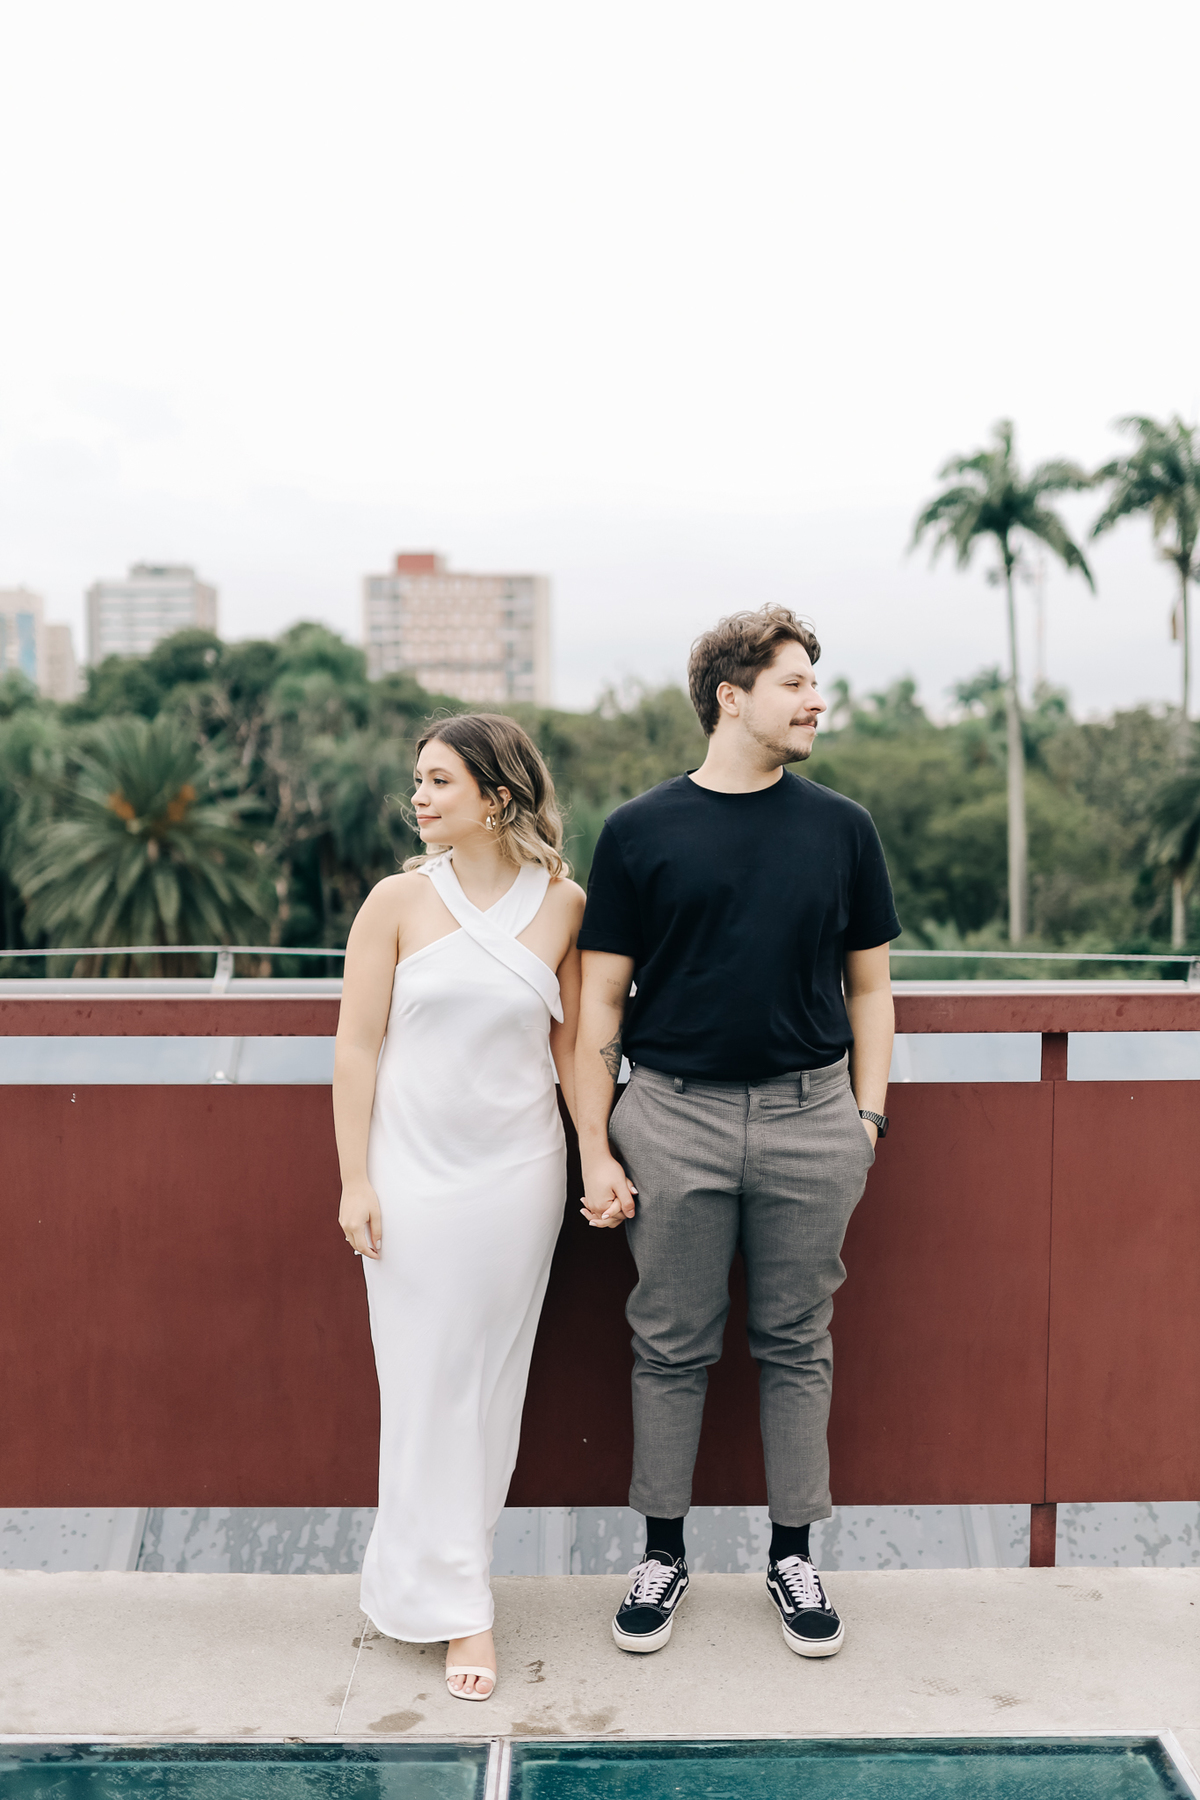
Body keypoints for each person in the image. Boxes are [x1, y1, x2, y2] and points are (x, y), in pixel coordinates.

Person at [575, 605, 898, 1660]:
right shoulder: (637, 832)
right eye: (796, 681)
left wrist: (867, 1118)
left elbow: (872, 990)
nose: (815, 699)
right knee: (668, 1344)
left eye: (814, 681)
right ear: (732, 695)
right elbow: (599, 1010)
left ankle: (792, 1554)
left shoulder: (842, 828)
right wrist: (602, 1141)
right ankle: (662, 1552)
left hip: (814, 1119)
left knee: (799, 1344)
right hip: (670, 1116)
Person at [333, 713, 585, 1702]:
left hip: (520, 1175)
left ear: (499, 795)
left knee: (491, 1388)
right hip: (411, 1178)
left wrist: (596, 1157)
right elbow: (356, 1047)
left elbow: (572, 1049)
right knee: (426, 1383)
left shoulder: (565, 903)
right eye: (419, 781)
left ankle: (449, 1581)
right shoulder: (396, 901)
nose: (420, 797)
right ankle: (457, 1607)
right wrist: (356, 1178)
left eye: (440, 781)